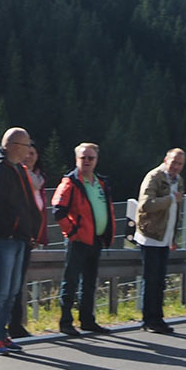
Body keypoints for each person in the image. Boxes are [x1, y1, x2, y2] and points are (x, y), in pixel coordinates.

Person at [0, 127, 40, 354]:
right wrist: (11, 229)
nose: (29, 150)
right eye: (26, 146)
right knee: (0, 291)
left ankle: (2, 336)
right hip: (3, 240)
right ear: (14, 146)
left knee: (11, 291)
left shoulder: (14, 168)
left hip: (18, 239)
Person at [52, 142, 116, 335]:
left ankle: (87, 320)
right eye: (83, 158)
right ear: (76, 159)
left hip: (96, 240)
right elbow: (58, 210)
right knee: (70, 281)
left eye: (91, 158)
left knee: (89, 282)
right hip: (78, 241)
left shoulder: (100, 182)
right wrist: (72, 233)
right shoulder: (70, 182)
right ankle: (66, 322)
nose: (87, 161)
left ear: (96, 160)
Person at [131, 147, 185, 334]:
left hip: (165, 238)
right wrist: (170, 198)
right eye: (174, 162)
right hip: (150, 237)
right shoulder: (154, 176)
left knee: (160, 281)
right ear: (165, 159)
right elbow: (146, 204)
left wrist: (173, 237)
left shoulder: (178, 181)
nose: (176, 167)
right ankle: (149, 319)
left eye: (180, 163)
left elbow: (176, 213)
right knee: (151, 279)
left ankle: (158, 318)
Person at [8, 144, 49, 339]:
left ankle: (16, 325)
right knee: (13, 284)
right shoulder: (18, 176)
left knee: (19, 282)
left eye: (33, 153)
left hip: (28, 237)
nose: (29, 156)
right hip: (17, 236)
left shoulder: (38, 179)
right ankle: (13, 326)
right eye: (27, 152)